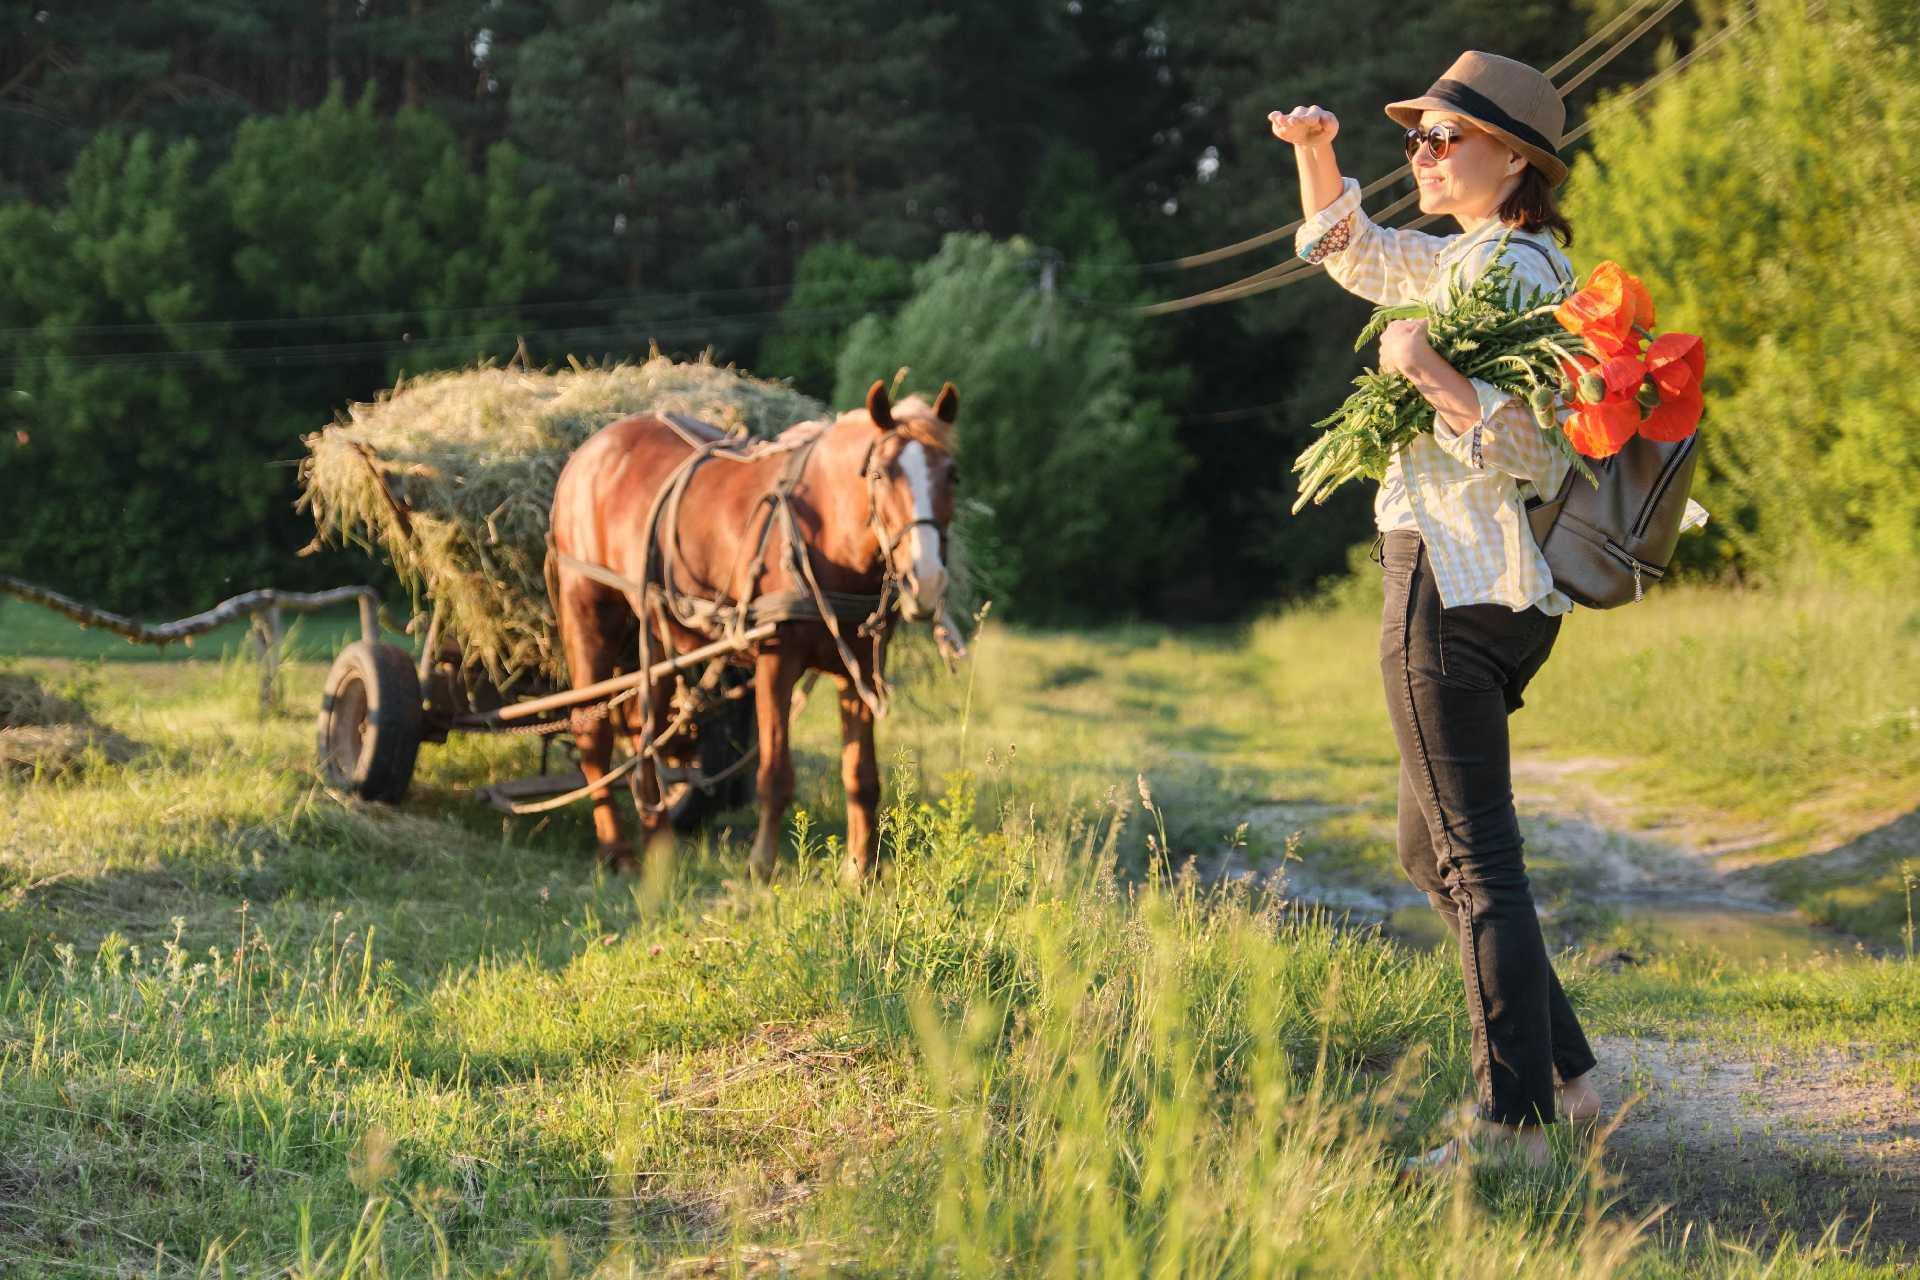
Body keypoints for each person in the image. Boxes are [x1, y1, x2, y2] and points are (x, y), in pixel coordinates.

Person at [1271, 51, 1603, 1174]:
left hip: (1451, 576)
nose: (1420, 151)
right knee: (1434, 848)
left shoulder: (1501, 272)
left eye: (1443, 137)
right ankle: (1577, 1079)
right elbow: (1353, 254)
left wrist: (1428, 373)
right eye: (1414, 137)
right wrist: (1318, 156)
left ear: (1515, 160)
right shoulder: (1501, 259)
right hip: (1502, 591)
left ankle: (1513, 1130)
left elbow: (1531, 448)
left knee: (1474, 860)